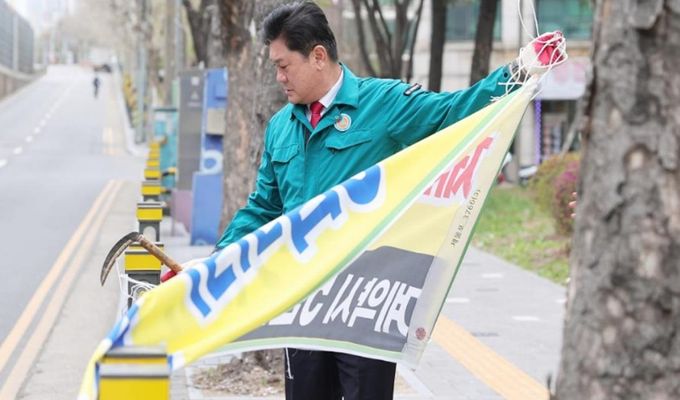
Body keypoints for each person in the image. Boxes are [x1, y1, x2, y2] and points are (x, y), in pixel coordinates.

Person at [174, 2, 565, 399]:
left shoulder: (382, 104)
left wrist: (518, 72)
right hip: (303, 305)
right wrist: (213, 266)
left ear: (318, 56)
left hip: (363, 306)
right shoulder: (281, 127)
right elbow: (263, 208)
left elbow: (453, 112)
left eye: (284, 65)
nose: (278, 77)